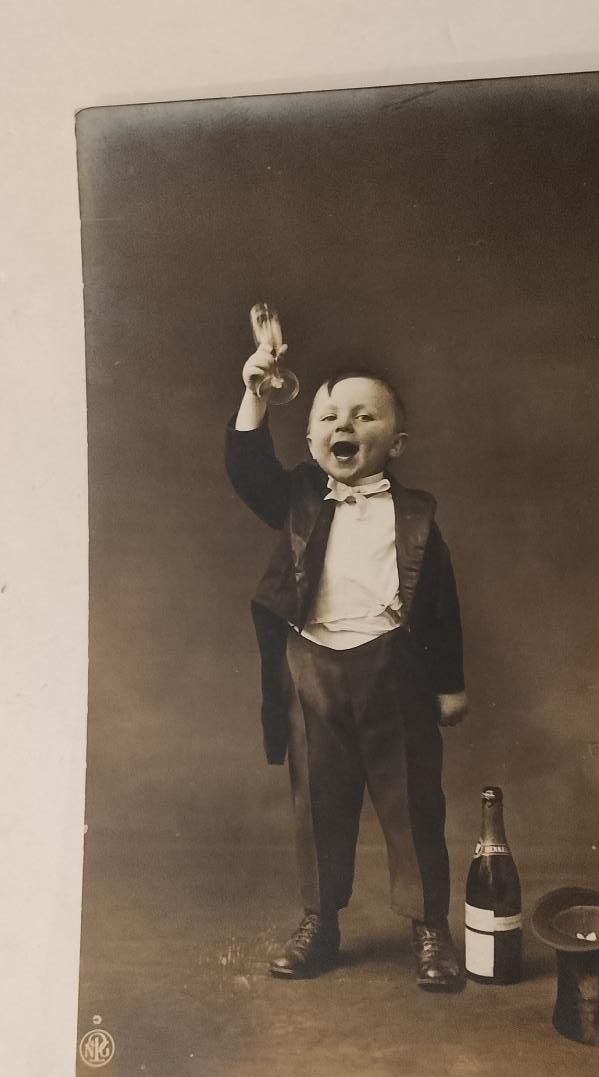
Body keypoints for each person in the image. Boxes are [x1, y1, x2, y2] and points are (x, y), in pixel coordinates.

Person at [225, 338, 470, 989]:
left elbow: (441, 601)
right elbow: (250, 474)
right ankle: (320, 923)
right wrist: (255, 393)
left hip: (395, 669)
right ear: (309, 443)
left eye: (366, 416)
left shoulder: (417, 515)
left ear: (398, 440)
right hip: (312, 669)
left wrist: (449, 684)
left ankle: (429, 928)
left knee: (413, 801)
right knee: (319, 805)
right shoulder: (299, 499)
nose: (346, 426)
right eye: (331, 417)